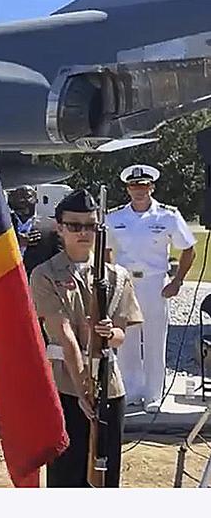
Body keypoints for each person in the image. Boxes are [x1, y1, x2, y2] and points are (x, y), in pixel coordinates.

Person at [30, 189, 143, 488]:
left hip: (108, 383)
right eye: (75, 225)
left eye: (90, 226)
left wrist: (109, 333)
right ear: (59, 227)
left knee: (105, 473)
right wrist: (84, 389)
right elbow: (63, 333)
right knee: (66, 474)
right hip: (66, 385)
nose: (83, 233)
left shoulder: (117, 276)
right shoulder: (45, 274)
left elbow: (120, 334)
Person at [106, 164, 196, 412]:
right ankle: (132, 391)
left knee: (155, 339)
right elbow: (106, 251)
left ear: (152, 187)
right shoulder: (114, 218)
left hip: (155, 283)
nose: (139, 190)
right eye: (134, 186)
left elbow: (188, 248)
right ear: (127, 188)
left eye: (144, 186)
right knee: (126, 340)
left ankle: (154, 394)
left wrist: (177, 281)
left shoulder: (167, 216)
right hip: (125, 283)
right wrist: (110, 281)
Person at [8, 185, 63, 276]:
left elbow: (60, 260)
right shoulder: (2, 225)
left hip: (38, 286)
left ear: (36, 200)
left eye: (28, 196)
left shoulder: (51, 227)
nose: (22, 201)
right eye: (18, 197)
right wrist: (15, 242)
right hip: (7, 283)